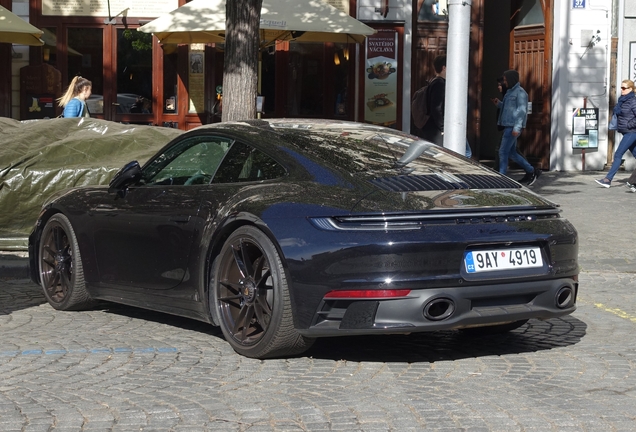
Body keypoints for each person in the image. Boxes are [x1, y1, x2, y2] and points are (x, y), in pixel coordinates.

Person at [492, 70, 540, 185]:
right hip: (508, 125)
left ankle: (502, 177)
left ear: (511, 79)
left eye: (506, 79)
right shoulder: (509, 92)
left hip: (512, 127)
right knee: (511, 153)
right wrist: (499, 104)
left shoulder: (520, 93)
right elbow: (508, 108)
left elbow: (521, 111)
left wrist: (517, 128)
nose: (504, 82)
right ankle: (532, 170)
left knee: (503, 151)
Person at [595, 79, 636, 188]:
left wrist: (629, 125)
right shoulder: (622, 100)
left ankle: (607, 179)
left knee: (618, 154)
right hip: (625, 131)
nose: (621, 90)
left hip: (631, 132)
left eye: (624, 88)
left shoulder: (633, 101)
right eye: (621, 88)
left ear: (630, 89)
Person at [419, 55, 446, 146]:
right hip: (435, 129)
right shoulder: (439, 84)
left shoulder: (434, 81)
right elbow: (436, 107)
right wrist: (442, 127)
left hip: (432, 127)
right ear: (444, 68)